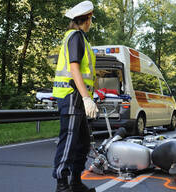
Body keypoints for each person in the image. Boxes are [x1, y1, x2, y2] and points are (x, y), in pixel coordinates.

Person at [52, 1, 97, 192]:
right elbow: (74, 68)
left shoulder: (80, 39)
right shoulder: (75, 37)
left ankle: (76, 182)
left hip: (77, 97)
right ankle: (62, 185)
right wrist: (87, 98)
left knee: (83, 143)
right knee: (69, 141)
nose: (91, 22)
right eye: (90, 19)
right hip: (72, 96)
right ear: (85, 20)